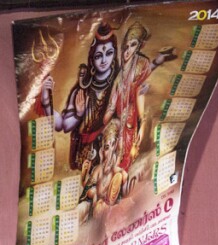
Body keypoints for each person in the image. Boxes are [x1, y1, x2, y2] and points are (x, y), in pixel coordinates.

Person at [39, 22, 118, 171]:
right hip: (86, 155)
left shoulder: (118, 82)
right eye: (98, 55)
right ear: (92, 58)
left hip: (112, 152)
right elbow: (63, 126)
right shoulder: (83, 89)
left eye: (109, 53)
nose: (104, 61)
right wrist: (47, 102)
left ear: (115, 54)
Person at [104, 21, 176, 171]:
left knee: (128, 156)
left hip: (132, 119)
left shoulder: (140, 64)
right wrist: (106, 125)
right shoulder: (119, 78)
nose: (127, 50)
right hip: (118, 124)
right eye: (126, 46)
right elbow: (110, 109)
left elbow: (144, 75)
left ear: (139, 47)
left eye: (132, 45)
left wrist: (159, 60)